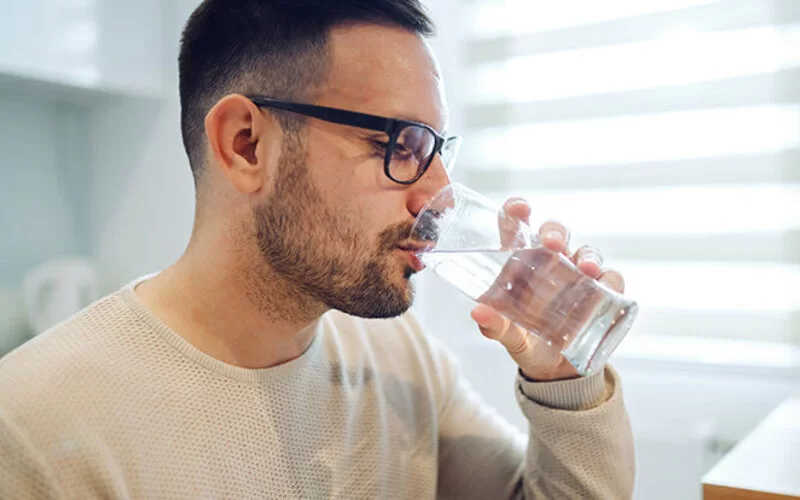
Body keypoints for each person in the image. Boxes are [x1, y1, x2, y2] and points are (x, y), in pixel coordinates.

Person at [0, 1, 635, 498]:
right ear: (247, 144)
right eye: (401, 145)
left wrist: (562, 383)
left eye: (439, 151)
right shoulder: (32, 428)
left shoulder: (401, 360)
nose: (437, 195)